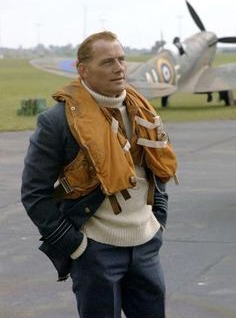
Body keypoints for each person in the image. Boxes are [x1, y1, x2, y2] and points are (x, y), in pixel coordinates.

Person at [21, 31, 177, 318]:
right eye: (107, 62)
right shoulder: (57, 121)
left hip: (146, 246)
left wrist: (159, 220)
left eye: (121, 59)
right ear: (83, 70)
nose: (119, 68)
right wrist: (76, 246)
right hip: (95, 252)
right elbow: (34, 194)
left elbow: (157, 168)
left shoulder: (142, 109)